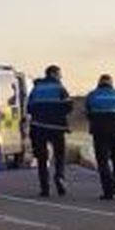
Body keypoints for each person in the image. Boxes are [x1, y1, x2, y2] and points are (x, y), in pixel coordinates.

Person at [26, 64, 73, 197]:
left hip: (38, 127)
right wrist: (58, 114)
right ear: (53, 74)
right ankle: (59, 177)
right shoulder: (59, 88)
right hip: (57, 127)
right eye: (59, 74)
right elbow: (69, 105)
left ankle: (44, 188)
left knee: (42, 158)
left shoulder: (36, 88)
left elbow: (29, 107)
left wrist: (40, 114)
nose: (61, 76)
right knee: (59, 155)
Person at [85, 73, 115, 200]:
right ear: (111, 83)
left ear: (99, 83)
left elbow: (88, 113)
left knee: (102, 161)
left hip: (99, 131)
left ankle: (108, 190)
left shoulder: (92, 95)